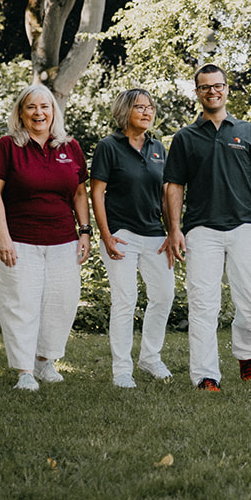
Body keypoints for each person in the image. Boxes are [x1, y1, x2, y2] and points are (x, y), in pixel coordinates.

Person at [161, 64, 251, 391]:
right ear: (197, 92)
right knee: (202, 303)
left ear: (227, 89)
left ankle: (247, 353)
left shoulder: (248, 131)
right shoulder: (185, 138)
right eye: (205, 87)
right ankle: (205, 375)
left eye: (218, 86)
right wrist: (174, 229)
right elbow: (174, 186)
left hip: (243, 226)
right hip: (201, 230)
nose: (212, 91)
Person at [0, 84, 91, 391]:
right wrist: (3, 237)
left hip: (63, 239)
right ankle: (24, 371)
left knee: (61, 302)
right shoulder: (8, 146)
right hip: (19, 239)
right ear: (21, 113)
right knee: (21, 304)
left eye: (44, 106)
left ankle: (45, 361)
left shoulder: (70, 147)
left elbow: (80, 193)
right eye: (31, 107)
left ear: (53, 112)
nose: (38, 113)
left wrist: (85, 231)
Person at [90, 87, 175, 389]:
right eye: (140, 107)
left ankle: (150, 357)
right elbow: (96, 193)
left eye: (150, 107)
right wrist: (106, 235)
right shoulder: (108, 147)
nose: (147, 112)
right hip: (121, 233)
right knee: (125, 300)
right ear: (125, 111)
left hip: (155, 234)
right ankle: (122, 369)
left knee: (164, 295)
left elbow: (165, 195)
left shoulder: (158, 148)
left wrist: (172, 232)